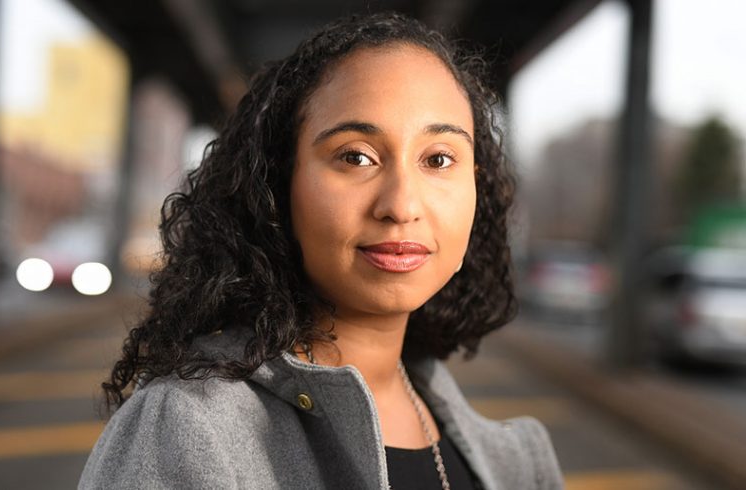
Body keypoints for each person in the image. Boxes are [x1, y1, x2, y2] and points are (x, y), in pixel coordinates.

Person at [80, 11, 563, 490]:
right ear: (274, 186)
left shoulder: (518, 464)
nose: (401, 205)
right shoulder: (186, 430)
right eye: (356, 157)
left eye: (438, 159)